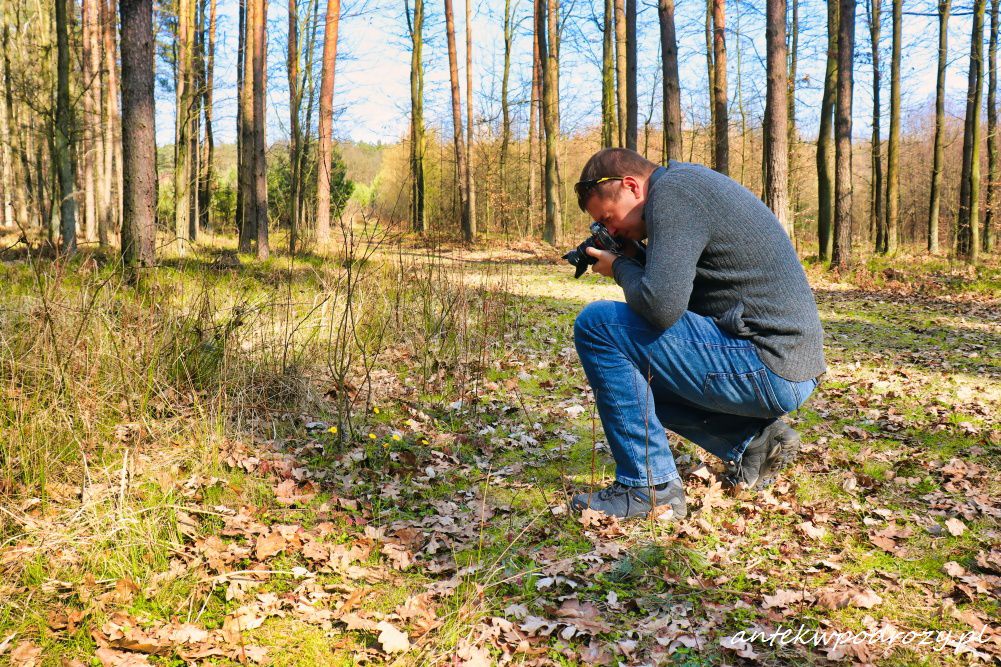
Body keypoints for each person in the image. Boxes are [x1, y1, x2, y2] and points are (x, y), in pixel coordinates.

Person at [570, 148, 826, 519]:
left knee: (598, 324)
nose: (610, 231)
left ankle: (650, 488)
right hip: (784, 364)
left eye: (608, 219)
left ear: (631, 186)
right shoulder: (684, 188)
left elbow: (661, 307)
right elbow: (684, 296)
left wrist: (622, 267)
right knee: (635, 370)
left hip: (768, 363)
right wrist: (636, 258)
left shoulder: (674, 193)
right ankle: (754, 441)